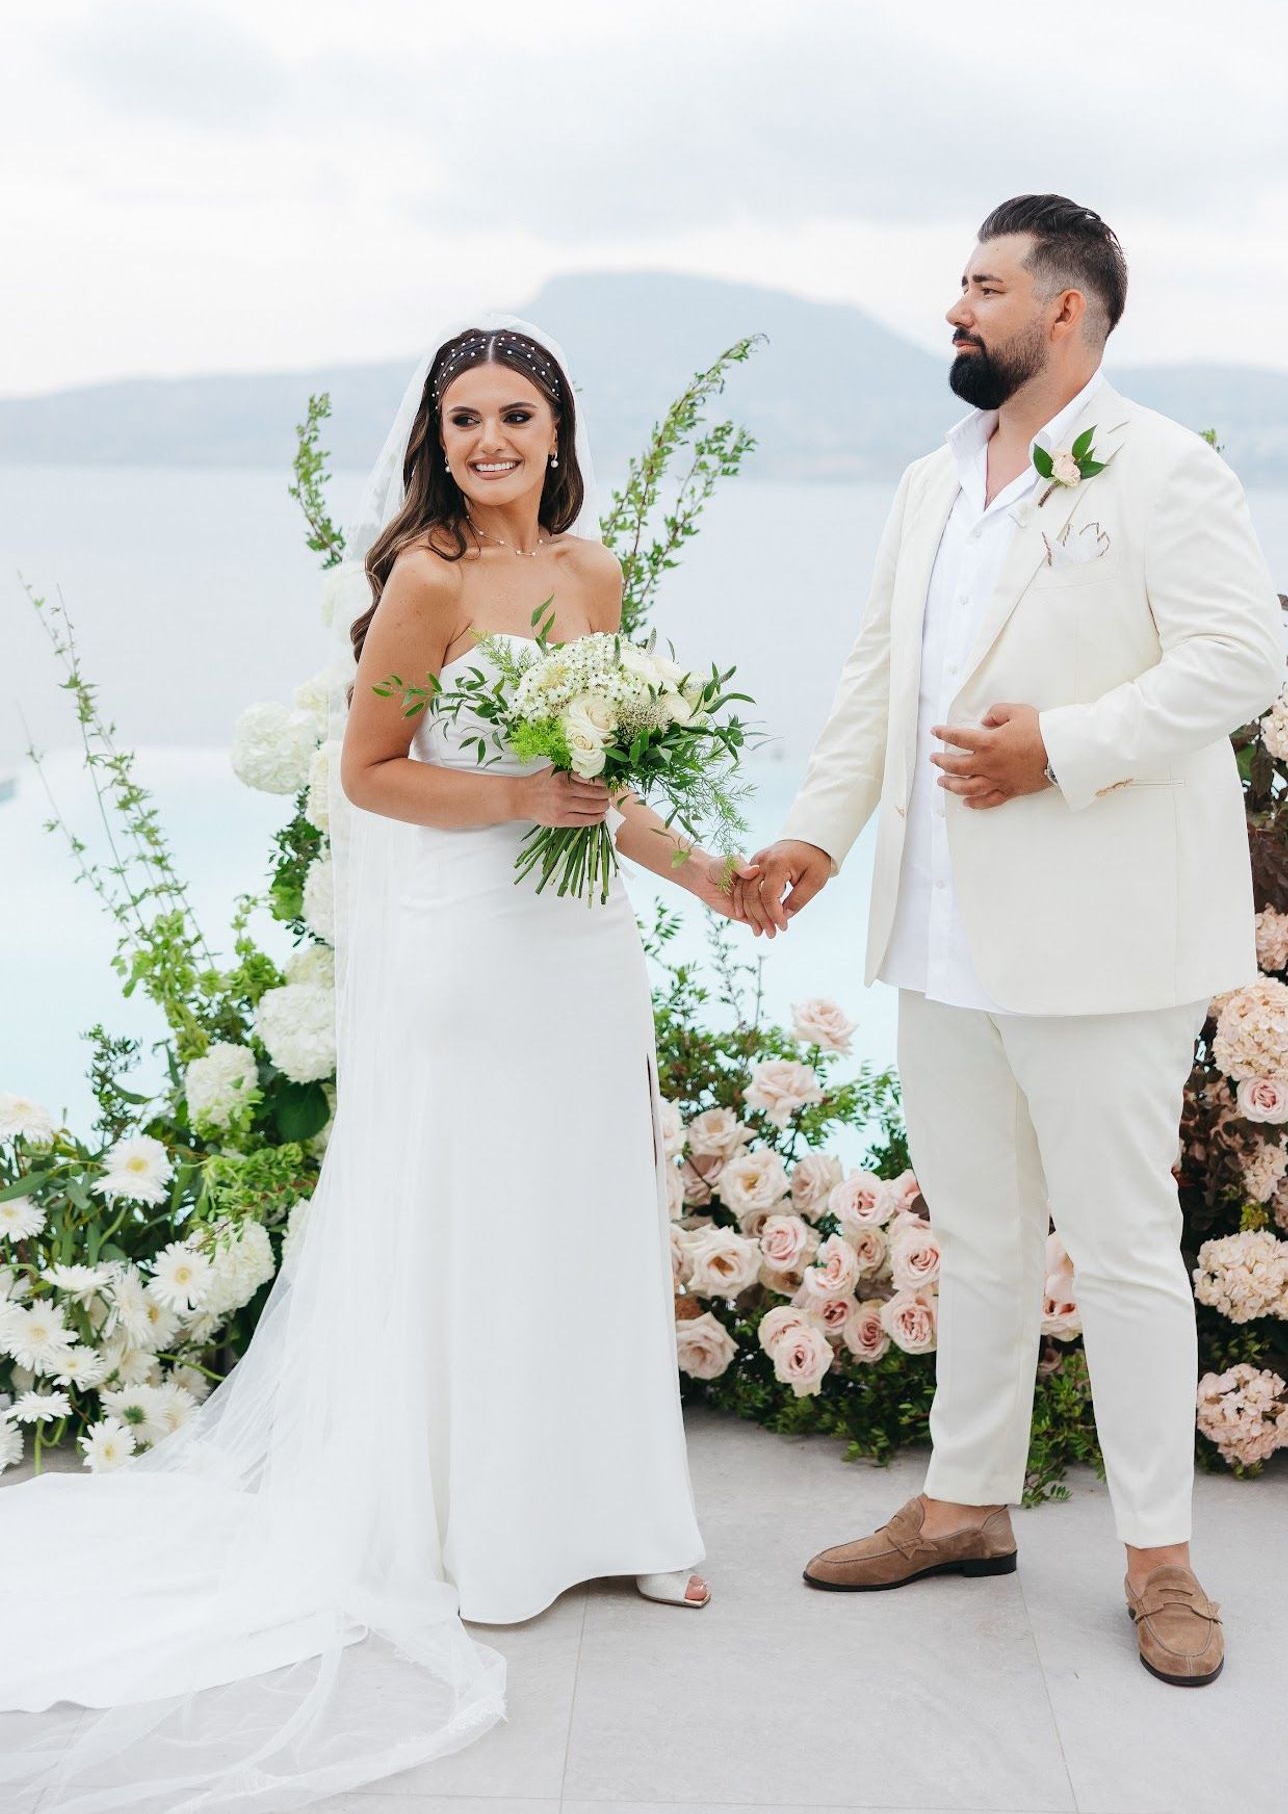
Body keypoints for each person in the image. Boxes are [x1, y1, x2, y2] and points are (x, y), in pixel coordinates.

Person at [0, 317, 759, 1813]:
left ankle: (624, 1521)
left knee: (587, 1215)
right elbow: (370, 775)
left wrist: (713, 880)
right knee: (483, 1218)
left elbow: (602, 788)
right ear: (436, 438)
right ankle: (486, 1537)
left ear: (558, 431)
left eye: (516, 414)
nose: (491, 441)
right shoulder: (427, 580)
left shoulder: (594, 574)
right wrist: (517, 796)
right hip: (471, 941)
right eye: (464, 418)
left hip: (583, 946)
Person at [737, 196, 1285, 1688]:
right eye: (959, 284)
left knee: (1122, 1251)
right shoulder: (931, 480)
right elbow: (880, 677)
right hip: (940, 927)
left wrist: (1066, 747)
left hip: (1103, 936)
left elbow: (1241, 658)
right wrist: (817, 833)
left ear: (1066, 311)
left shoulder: (1165, 468)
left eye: (983, 286)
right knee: (979, 1237)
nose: (955, 308)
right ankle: (965, 1507)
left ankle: (1161, 1559)